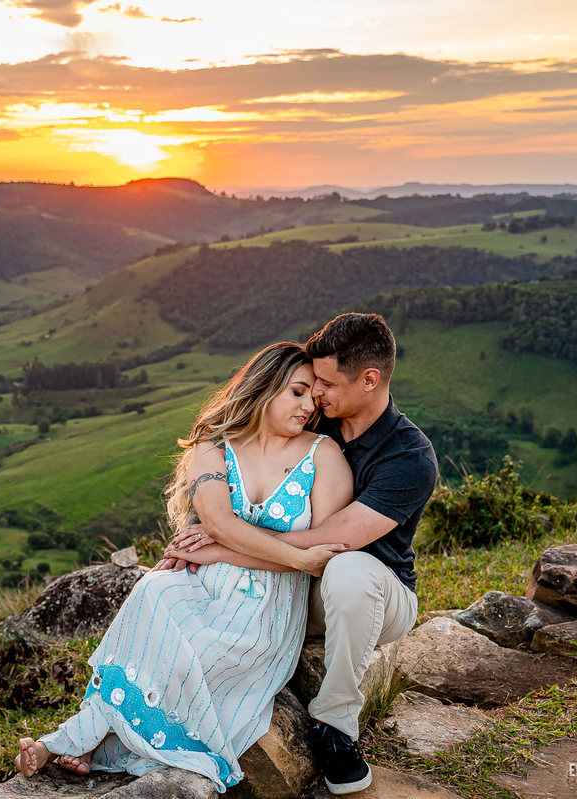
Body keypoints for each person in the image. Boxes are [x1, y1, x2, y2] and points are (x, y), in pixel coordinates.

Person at [14, 341, 354, 792]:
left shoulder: (323, 455)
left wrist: (220, 547)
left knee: (191, 655)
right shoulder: (213, 446)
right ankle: (80, 740)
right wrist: (274, 548)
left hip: (266, 604)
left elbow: (320, 552)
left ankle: (72, 741)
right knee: (152, 593)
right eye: (297, 392)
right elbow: (216, 520)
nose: (309, 406)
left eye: (314, 397)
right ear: (265, 388)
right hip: (200, 583)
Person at [171, 313, 437, 795]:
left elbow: (332, 539)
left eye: (328, 384)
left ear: (370, 380)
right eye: (313, 383)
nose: (316, 395)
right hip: (288, 581)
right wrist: (203, 530)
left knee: (348, 569)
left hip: (377, 596)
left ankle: (335, 725)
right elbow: (249, 470)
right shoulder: (316, 425)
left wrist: (223, 543)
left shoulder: (409, 457)